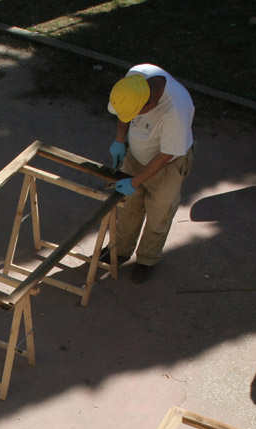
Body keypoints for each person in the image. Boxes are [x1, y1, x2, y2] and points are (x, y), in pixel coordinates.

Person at [104, 63, 195, 284]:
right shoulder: (135, 80)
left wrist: (135, 181)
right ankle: (120, 251)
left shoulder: (176, 110)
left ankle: (147, 260)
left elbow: (166, 155)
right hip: (136, 154)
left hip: (168, 164)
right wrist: (119, 140)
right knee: (128, 207)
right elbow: (124, 112)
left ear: (150, 104)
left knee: (159, 213)